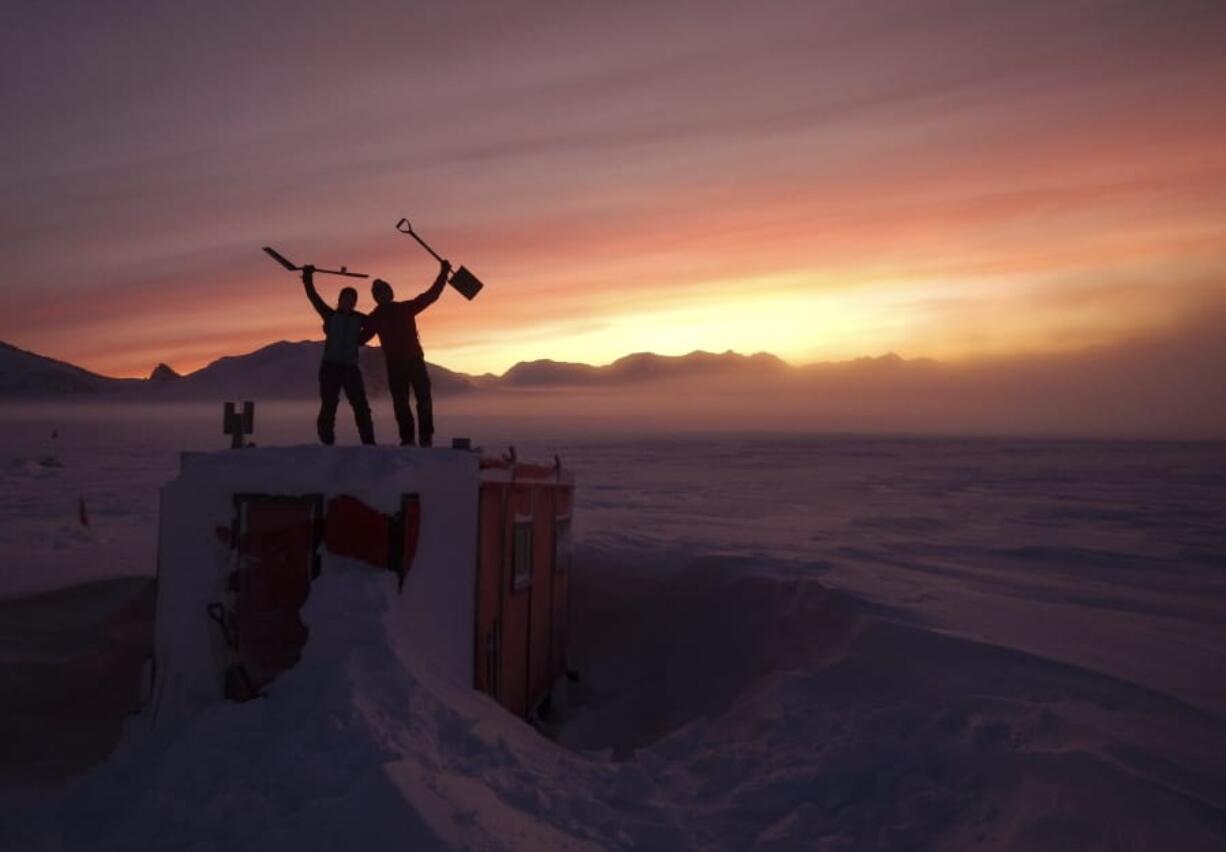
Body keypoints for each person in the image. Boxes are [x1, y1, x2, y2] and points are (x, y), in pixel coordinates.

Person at [360, 259, 450, 446]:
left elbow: (430, 296)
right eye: (380, 294)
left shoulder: (404, 308)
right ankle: (407, 439)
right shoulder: (375, 317)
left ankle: (425, 438)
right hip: (395, 365)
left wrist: (443, 274)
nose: (384, 296)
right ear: (376, 297)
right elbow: (360, 339)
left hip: (414, 361)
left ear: (390, 293)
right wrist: (338, 325)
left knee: (423, 399)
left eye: (386, 292)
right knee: (401, 405)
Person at [300, 264, 375, 446]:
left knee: (361, 406)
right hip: (330, 367)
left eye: (352, 300)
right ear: (340, 300)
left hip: (350, 367)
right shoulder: (330, 315)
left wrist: (361, 339)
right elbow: (314, 298)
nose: (349, 302)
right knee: (329, 405)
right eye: (346, 298)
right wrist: (307, 278)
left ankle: (369, 443)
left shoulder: (360, 318)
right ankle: (327, 442)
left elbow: (375, 324)